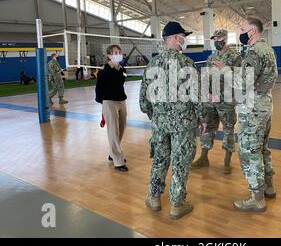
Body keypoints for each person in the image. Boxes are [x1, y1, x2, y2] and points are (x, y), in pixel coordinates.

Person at [139, 21, 207, 220]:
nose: (185, 40)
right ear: (176, 38)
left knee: (160, 160)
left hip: (160, 124)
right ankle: (177, 204)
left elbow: (143, 100)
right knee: (180, 162)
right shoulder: (187, 64)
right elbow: (196, 96)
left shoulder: (152, 64)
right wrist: (202, 119)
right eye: (183, 36)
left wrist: (156, 115)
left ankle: (153, 197)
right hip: (183, 125)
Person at [215, 17, 278, 212]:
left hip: (252, 109)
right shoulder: (266, 49)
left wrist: (226, 73)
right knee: (262, 149)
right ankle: (268, 187)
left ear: (251, 31)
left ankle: (256, 197)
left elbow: (243, 84)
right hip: (264, 104)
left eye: (242, 29)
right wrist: (231, 68)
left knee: (249, 151)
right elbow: (252, 74)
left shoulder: (253, 52)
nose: (240, 32)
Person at [191, 29, 241, 174]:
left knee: (228, 130)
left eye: (220, 38)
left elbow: (241, 77)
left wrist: (227, 69)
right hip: (211, 100)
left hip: (227, 100)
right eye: (215, 38)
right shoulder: (211, 57)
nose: (217, 40)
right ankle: (203, 158)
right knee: (207, 129)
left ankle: (227, 161)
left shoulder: (235, 56)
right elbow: (205, 76)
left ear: (226, 38)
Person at [95, 45, 129, 172]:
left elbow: (121, 82)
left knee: (121, 128)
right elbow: (99, 88)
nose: (118, 54)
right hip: (109, 102)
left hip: (121, 101)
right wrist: (103, 104)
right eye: (115, 52)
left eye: (119, 52)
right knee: (113, 131)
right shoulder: (104, 71)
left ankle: (112, 152)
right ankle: (118, 160)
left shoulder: (121, 69)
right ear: (109, 56)